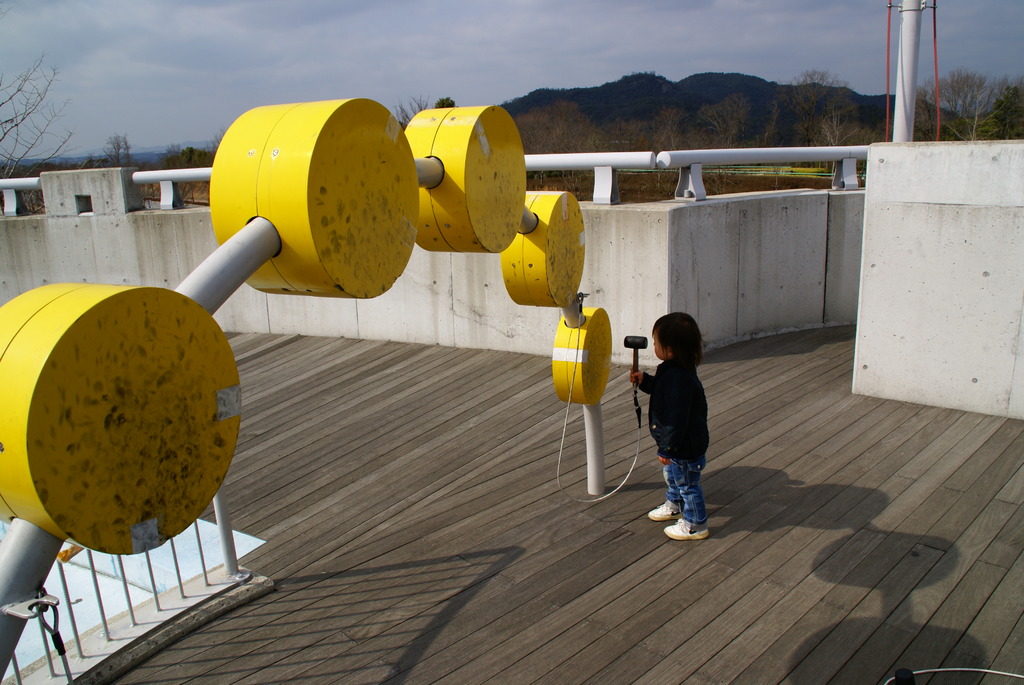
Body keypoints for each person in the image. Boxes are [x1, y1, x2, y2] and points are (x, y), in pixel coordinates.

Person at [628, 312, 710, 540]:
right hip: (679, 444)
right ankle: (674, 504)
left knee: (688, 485)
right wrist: (645, 381)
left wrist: (667, 449)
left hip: (684, 446)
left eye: (656, 343)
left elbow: (676, 419)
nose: (653, 346)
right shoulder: (674, 369)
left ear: (671, 349)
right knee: (674, 476)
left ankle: (695, 524)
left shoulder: (679, 379)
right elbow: (663, 391)